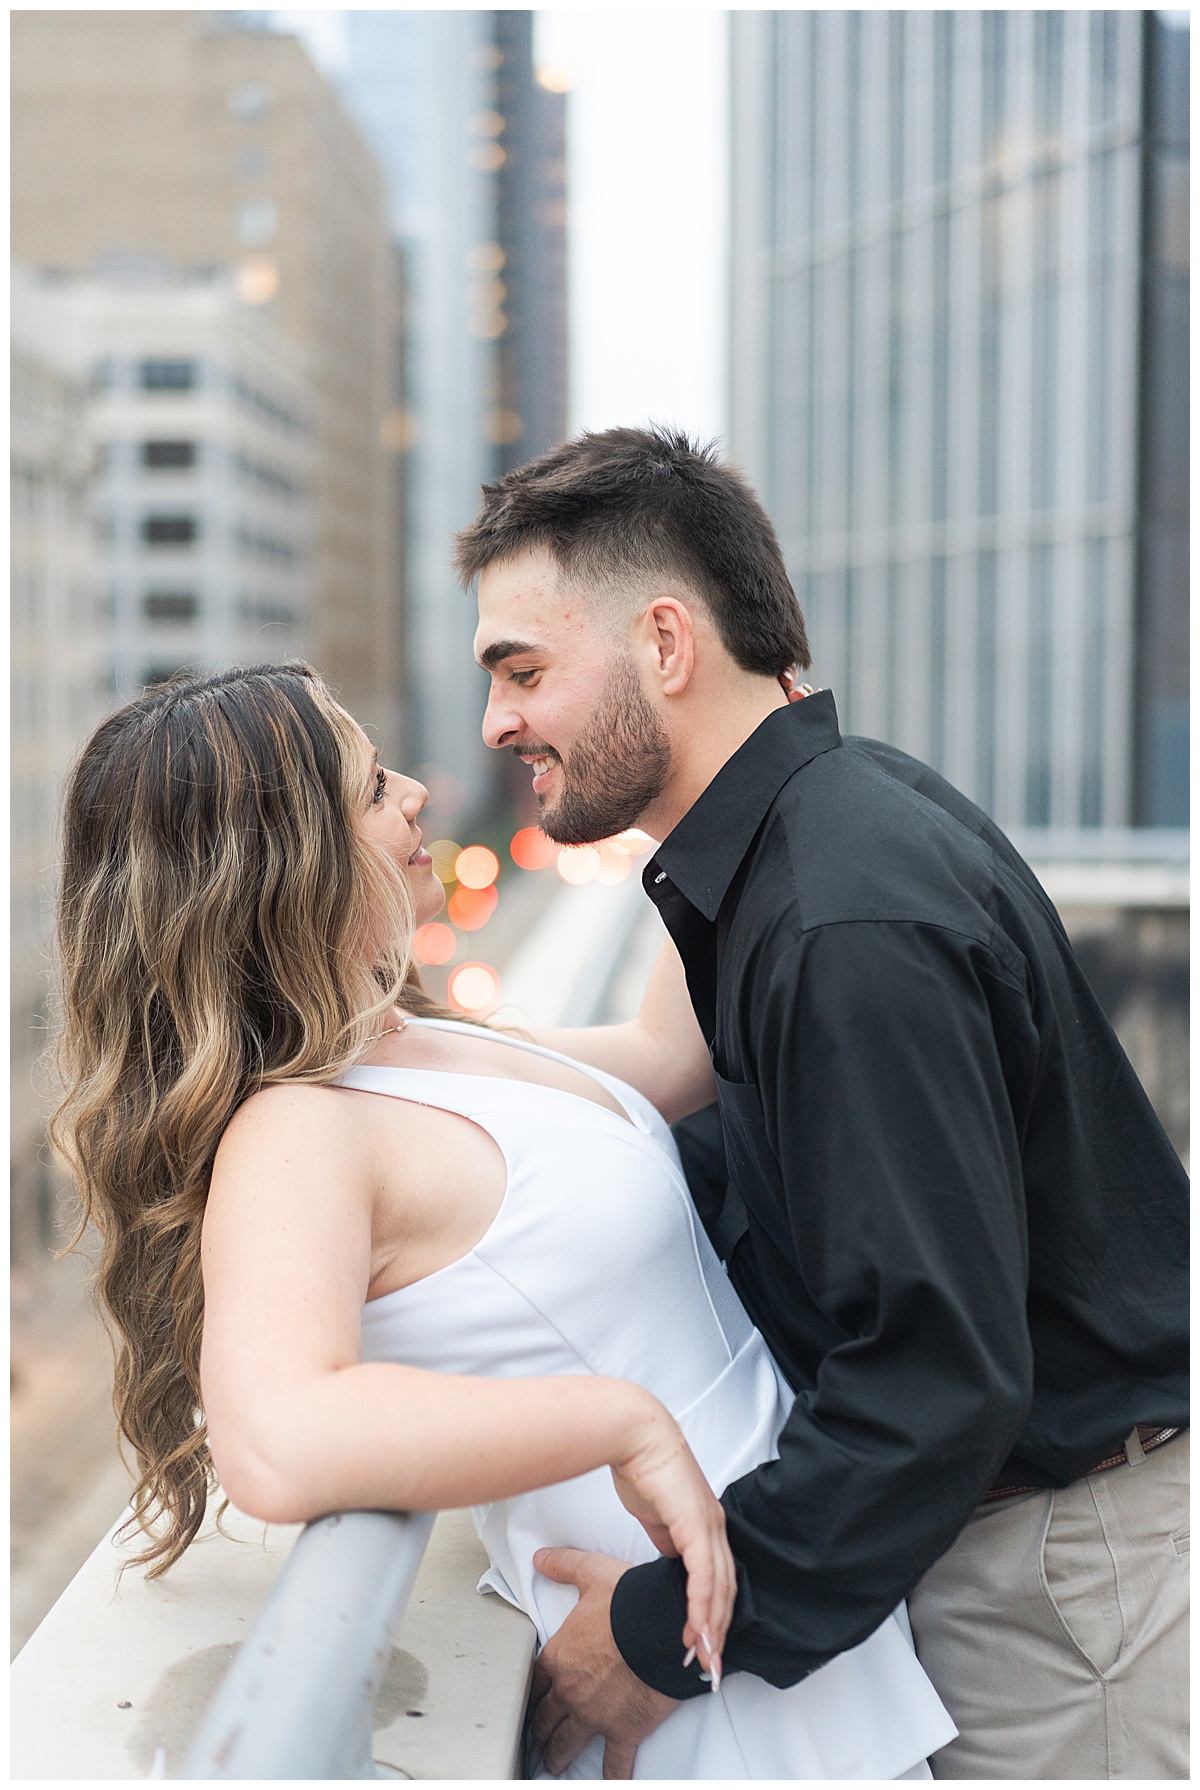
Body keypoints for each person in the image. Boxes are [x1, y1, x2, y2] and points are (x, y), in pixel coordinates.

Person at [50, 662, 954, 1781]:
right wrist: (618, 1420)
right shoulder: (298, 1129)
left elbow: (672, 1058)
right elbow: (273, 1440)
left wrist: (726, 731)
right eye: (372, 784)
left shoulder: (406, 1043)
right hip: (693, 1705)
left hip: (764, 1615)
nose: (418, 795)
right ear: (288, 857)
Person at [455, 425, 1190, 1780]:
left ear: (666, 644)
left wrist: (663, 1631)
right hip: (1010, 1551)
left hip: (1052, 1584)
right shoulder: (809, 840)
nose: (500, 719)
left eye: (524, 668)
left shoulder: (841, 918)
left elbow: (938, 1371)